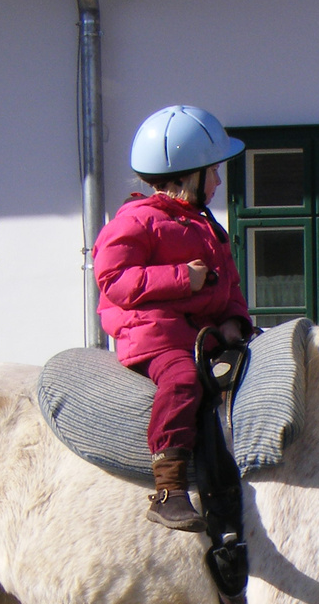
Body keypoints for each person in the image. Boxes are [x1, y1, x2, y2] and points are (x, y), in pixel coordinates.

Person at [92, 105, 253, 531]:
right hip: (155, 338)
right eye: (213, 172)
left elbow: (230, 283)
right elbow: (114, 278)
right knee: (182, 381)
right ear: (185, 176)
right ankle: (169, 488)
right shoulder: (136, 220)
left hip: (200, 333)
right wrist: (185, 279)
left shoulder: (204, 224)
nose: (219, 181)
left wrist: (236, 318)